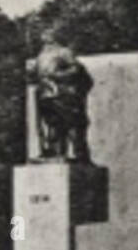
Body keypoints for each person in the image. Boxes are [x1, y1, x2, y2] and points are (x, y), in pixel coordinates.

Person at [27, 29, 93, 161]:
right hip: (47, 95)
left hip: (64, 94)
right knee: (53, 126)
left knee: (73, 124)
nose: (45, 39)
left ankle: (79, 154)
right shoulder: (41, 56)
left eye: (48, 37)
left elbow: (76, 69)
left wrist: (57, 75)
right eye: (44, 37)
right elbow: (36, 74)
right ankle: (55, 152)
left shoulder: (64, 52)